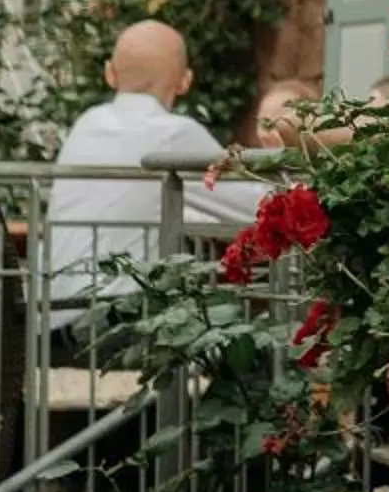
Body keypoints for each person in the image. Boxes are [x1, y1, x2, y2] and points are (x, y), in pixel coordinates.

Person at [44, 22, 270, 326]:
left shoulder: (85, 124)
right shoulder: (175, 134)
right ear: (184, 81)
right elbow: (256, 207)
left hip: (53, 318)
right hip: (121, 319)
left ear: (109, 73)